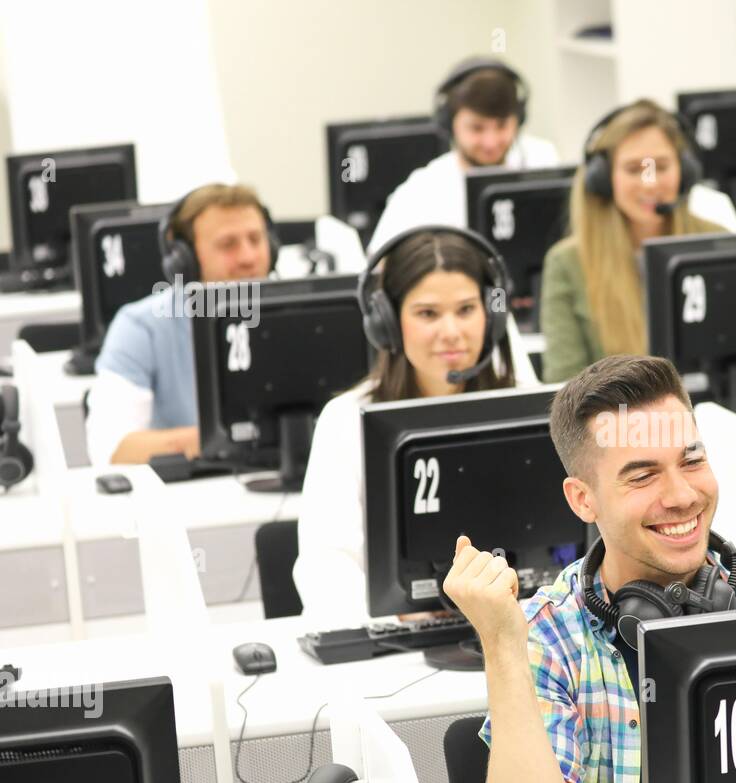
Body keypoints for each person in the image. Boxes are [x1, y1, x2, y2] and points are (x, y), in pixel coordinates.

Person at [443, 355, 736, 783]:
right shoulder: (547, 639)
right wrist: (502, 644)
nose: (683, 495)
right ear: (583, 500)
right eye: (642, 477)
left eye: (691, 461)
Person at [293, 225, 536, 623]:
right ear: (387, 322)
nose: (451, 332)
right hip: (399, 654)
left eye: (466, 309)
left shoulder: (534, 409)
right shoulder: (344, 421)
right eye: (427, 313)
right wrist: (401, 619)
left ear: (490, 317)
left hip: (523, 636)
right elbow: (326, 566)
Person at [539, 100, 736, 383]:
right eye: (634, 169)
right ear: (604, 179)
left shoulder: (718, 243)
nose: (650, 183)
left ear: (684, 171)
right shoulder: (567, 263)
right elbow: (564, 387)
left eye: (661, 166)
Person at [86, 183, 275, 465]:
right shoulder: (140, 327)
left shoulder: (303, 314)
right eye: (228, 244)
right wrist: (241, 439)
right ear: (183, 259)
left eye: (255, 239)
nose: (248, 258)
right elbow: (112, 448)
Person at [367, 57, 558, 250]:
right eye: (477, 128)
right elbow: (380, 267)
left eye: (502, 126)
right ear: (450, 124)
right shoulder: (421, 191)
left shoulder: (545, 160)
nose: (490, 142)